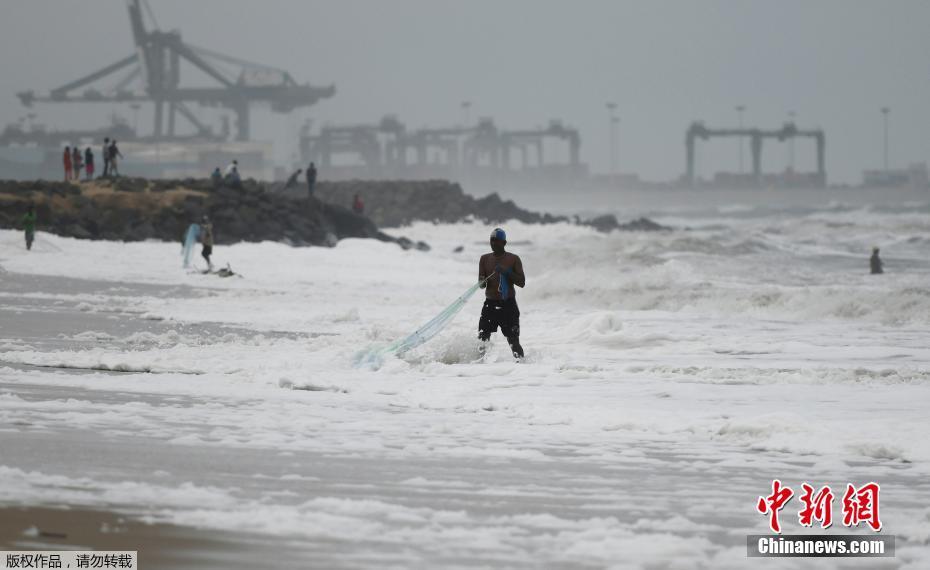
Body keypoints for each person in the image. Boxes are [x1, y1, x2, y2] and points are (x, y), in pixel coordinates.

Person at [477, 227, 526, 359]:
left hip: (508, 305)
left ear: (504, 243)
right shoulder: (484, 259)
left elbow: (522, 282)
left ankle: (522, 368)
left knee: (513, 342)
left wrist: (507, 272)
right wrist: (482, 281)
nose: (493, 243)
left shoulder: (513, 259)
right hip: (490, 305)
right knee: (482, 341)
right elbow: (482, 285)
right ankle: (478, 372)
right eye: (491, 240)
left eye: (496, 240)